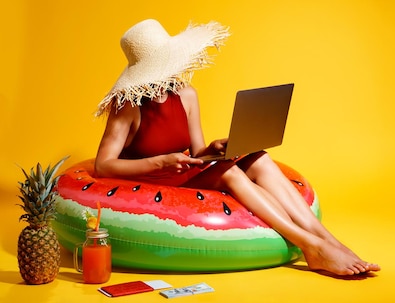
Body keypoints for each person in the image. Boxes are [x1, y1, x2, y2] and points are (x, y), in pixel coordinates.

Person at [93, 19, 380, 276]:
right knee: (229, 173)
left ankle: (329, 241)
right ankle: (311, 247)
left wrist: (214, 148)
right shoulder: (127, 107)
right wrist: (159, 163)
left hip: (180, 171)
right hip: (148, 176)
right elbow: (103, 165)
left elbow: (197, 152)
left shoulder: (187, 94)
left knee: (260, 159)